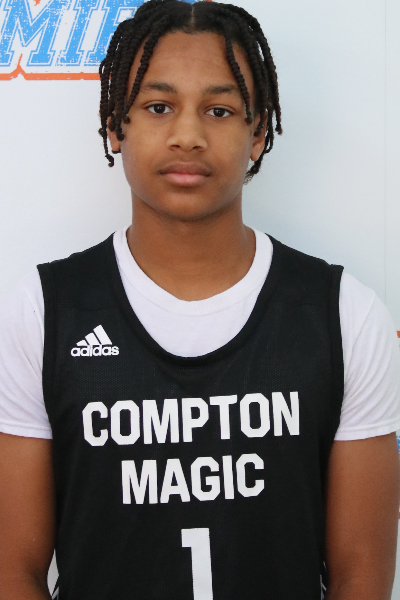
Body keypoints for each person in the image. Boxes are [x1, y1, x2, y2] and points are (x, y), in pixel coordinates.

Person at [0, 1, 399, 599]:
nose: (187, 136)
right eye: (158, 107)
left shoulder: (345, 314)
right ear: (115, 126)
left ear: (257, 133)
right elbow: (13, 571)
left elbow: (361, 577)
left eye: (219, 110)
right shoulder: (42, 312)